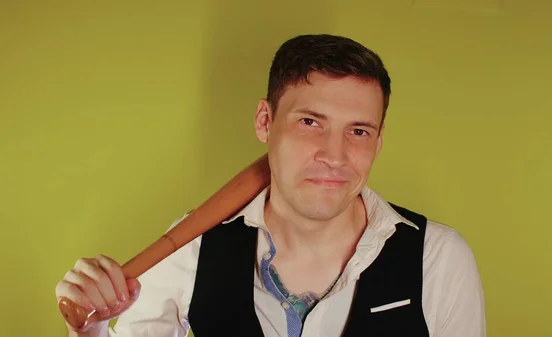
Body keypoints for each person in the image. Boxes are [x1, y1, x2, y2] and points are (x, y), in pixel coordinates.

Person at [55, 34, 486, 337]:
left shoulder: (438, 258)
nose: (334, 156)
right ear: (265, 121)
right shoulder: (196, 244)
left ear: (379, 139)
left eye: (358, 131)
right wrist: (89, 328)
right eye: (310, 122)